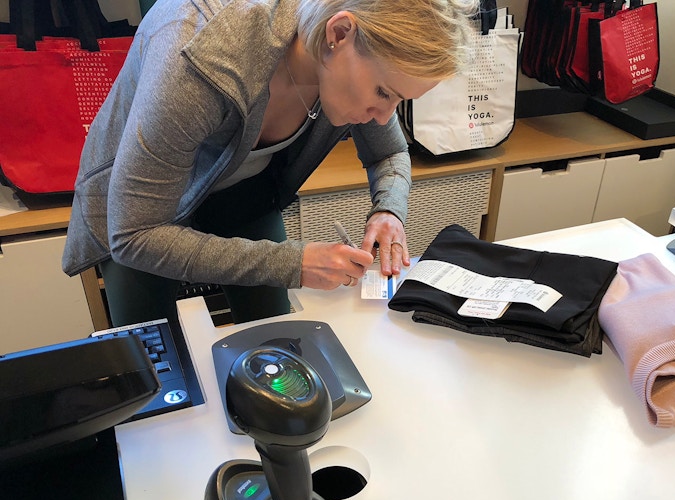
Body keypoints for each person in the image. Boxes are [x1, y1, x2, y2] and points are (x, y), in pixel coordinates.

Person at [62, 0, 479, 327]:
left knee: (276, 340)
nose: (386, 116)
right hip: (139, 215)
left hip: (242, 195)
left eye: (400, 100)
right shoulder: (201, 53)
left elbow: (389, 152)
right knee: (155, 373)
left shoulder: (342, 57)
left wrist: (389, 210)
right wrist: (294, 262)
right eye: (384, 92)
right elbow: (134, 234)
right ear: (339, 32)